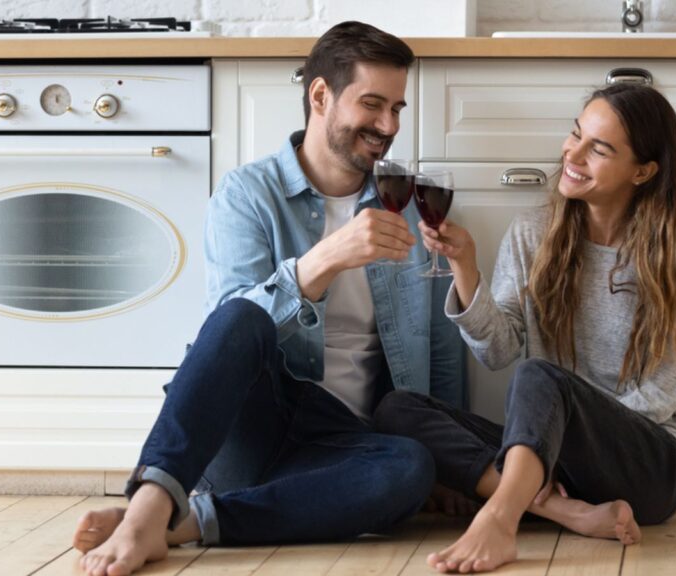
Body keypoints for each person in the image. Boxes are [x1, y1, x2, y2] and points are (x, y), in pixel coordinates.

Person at [71, 21, 465, 576]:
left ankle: (189, 524)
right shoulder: (247, 194)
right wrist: (323, 260)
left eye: (397, 109)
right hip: (249, 429)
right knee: (241, 315)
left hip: (342, 447)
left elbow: (443, 352)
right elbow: (229, 336)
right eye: (373, 105)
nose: (387, 126)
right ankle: (149, 506)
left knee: (408, 468)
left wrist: (453, 467)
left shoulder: (412, 205)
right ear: (320, 95)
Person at [375, 83, 676, 573]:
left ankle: (499, 519)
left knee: (539, 377)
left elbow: (673, 380)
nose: (572, 155)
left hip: (650, 462)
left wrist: (576, 428)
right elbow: (497, 350)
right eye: (575, 135)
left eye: (598, 149)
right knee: (395, 410)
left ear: (643, 171)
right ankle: (568, 512)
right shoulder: (534, 234)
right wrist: (466, 268)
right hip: (551, 461)